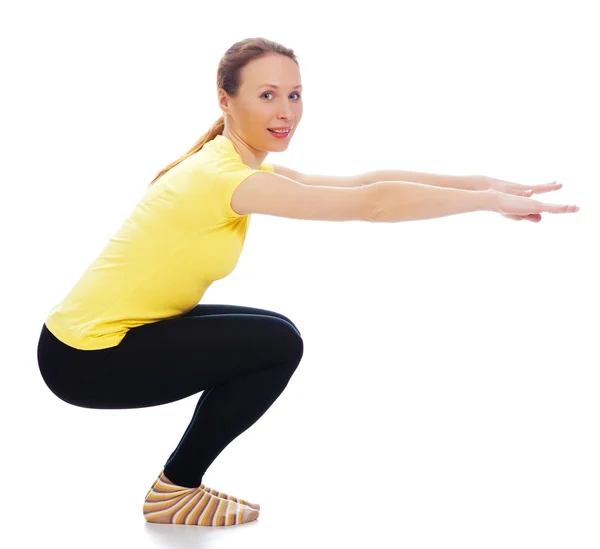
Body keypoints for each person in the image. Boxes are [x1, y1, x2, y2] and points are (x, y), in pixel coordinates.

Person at [36, 37, 580, 529]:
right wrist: (485, 204)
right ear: (225, 100)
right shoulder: (225, 177)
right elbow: (371, 206)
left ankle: (175, 488)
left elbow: (365, 181)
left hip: (90, 340)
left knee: (273, 331)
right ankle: (175, 492)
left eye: (295, 95)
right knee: (277, 345)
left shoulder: (233, 161)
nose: (286, 112)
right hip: (86, 358)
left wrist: (486, 184)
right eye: (268, 95)